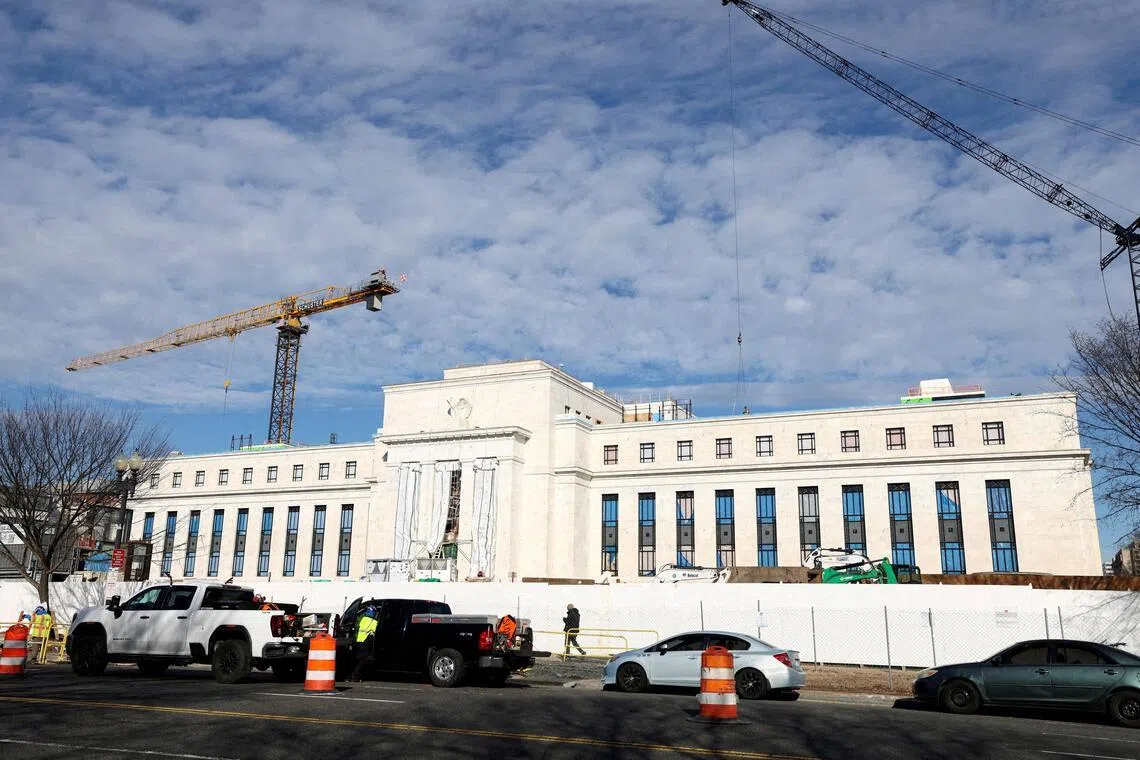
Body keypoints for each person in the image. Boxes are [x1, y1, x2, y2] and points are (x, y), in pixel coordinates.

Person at [351, 604, 379, 682]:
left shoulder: (362, 619)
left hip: (358, 641)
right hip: (364, 642)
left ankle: (353, 675)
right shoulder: (373, 622)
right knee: (362, 660)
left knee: (357, 659)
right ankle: (355, 676)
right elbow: (375, 631)